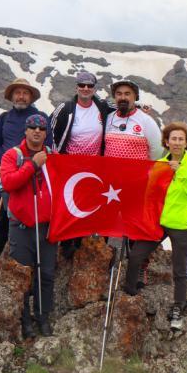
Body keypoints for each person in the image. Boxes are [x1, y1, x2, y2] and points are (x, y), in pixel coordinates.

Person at [122, 122, 187, 331]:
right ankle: (129, 293)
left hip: (180, 224)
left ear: (186, 143)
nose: (177, 143)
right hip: (157, 222)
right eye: (173, 139)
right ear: (166, 142)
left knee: (179, 269)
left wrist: (180, 173)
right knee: (135, 256)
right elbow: (150, 193)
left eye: (181, 139)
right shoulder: (160, 163)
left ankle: (179, 305)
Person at [0, 114, 57, 338]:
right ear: (25, 130)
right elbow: (9, 182)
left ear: (46, 133)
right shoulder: (13, 155)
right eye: (32, 127)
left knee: (47, 273)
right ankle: (24, 321)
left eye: (41, 128)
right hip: (21, 225)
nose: (36, 131)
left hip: (47, 225)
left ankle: (43, 317)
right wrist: (33, 165)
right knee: (22, 274)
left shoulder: (54, 156)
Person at [49, 71, 114, 259]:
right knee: (69, 204)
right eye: (82, 85)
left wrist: (142, 107)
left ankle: (79, 243)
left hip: (93, 166)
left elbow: (121, 108)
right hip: (69, 165)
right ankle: (65, 244)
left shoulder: (101, 106)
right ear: (76, 86)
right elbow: (50, 130)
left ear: (95, 89)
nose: (85, 89)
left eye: (90, 86)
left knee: (87, 207)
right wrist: (55, 156)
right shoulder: (65, 108)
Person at [0, 78, 49, 256]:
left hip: (35, 174)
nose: (21, 96)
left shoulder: (41, 118)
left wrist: (35, 164)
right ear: (12, 96)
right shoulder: (4, 118)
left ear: (31, 97)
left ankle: (25, 254)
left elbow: (49, 144)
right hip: (9, 174)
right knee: (3, 216)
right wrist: (7, 161)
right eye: (18, 93)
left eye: (25, 93)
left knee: (30, 213)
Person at [103, 80, 164, 161]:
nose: (123, 97)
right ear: (115, 96)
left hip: (136, 172)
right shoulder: (109, 118)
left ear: (135, 97)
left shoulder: (146, 120)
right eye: (119, 93)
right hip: (110, 172)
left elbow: (157, 149)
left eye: (127, 94)